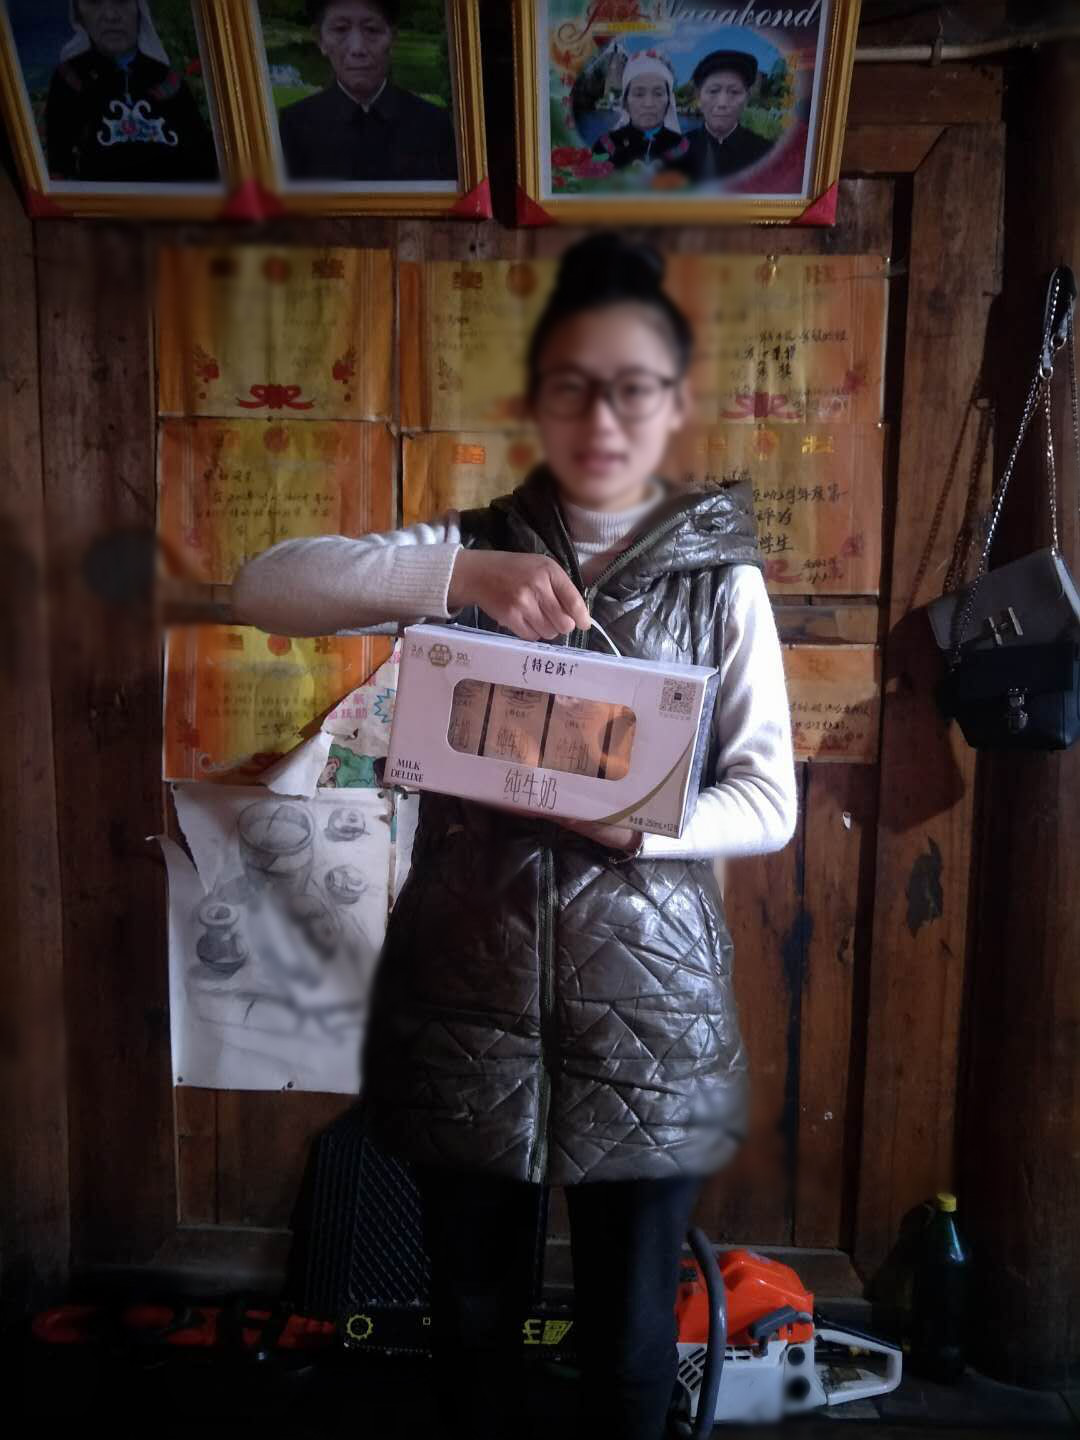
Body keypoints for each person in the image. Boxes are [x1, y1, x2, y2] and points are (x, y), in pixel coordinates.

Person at [233, 235, 797, 1440]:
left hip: (653, 1025)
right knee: (471, 1329)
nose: (603, 416)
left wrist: (640, 829)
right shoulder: (470, 545)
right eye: (573, 383)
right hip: (464, 1009)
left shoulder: (721, 580)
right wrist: (461, 574)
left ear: (673, 403)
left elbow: (770, 799)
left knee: (629, 1346)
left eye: (634, 384)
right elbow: (264, 585)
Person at [277, 0, 457, 183]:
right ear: (320, 40)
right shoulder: (294, 125)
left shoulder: (434, 124)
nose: (358, 49)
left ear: (393, 38)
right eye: (340, 29)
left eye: (372, 30)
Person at [44, 0, 218, 183]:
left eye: (123, 1)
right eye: (94, 2)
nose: (111, 16)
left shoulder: (168, 82)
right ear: (79, 15)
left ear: (140, 9)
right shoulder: (70, 80)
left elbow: (204, 169)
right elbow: (60, 167)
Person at [673, 48, 773, 184]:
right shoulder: (677, 152)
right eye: (713, 91)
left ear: (747, 98)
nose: (722, 103)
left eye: (734, 92)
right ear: (698, 97)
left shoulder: (767, 153)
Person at [591, 50, 688, 171]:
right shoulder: (605, 146)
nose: (648, 104)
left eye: (658, 94)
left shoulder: (684, 148)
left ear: (669, 101)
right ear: (625, 102)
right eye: (639, 94)